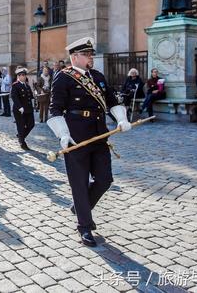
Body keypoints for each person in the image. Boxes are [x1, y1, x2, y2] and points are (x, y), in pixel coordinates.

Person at [48, 37, 131, 247]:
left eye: (91, 54)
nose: (90, 58)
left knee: (105, 179)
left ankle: (80, 207)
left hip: (99, 134)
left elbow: (112, 102)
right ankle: (84, 227)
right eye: (87, 55)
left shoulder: (98, 77)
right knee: (79, 182)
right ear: (75, 57)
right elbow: (55, 109)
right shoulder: (63, 77)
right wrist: (62, 134)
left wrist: (121, 119)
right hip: (75, 136)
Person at [11, 67, 36, 150]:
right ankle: (22, 142)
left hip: (28, 109)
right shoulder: (15, 85)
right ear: (18, 76)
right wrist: (20, 107)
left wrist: (35, 99)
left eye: (24, 75)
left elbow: (30, 97)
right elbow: (14, 97)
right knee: (21, 126)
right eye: (22, 75)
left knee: (31, 124)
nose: (24, 77)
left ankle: (21, 136)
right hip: (19, 110)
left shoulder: (27, 86)